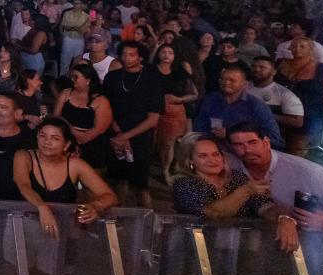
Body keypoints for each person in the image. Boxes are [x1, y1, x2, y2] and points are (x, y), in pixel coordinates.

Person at [171, 133, 298, 252]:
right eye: (203, 156)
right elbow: (213, 213)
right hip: (197, 249)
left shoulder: (237, 178)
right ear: (190, 160)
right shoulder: (183, 184)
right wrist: (246, 191)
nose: (212, 160)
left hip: (241, 250)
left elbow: (265, 206)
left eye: (216, 154)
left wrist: (283, 219)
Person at [13, 117, 118, 239]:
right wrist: (42, 207)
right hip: (21, 226)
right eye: (42, 136)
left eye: (55, 138)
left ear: (66, 144)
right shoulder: (23, 156)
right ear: (37, 137)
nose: (47, 142)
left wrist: (96, 206)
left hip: (61, 230)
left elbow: (110, 196)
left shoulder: (75, 164)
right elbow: (23, 185)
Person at [228, 122, 323, 231]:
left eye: (253, 142)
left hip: (313, 237)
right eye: (238, 145)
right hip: (258, 235)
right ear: (232, 147)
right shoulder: (230, 167)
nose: (247, 150)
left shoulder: (310, 172)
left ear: (266, 142)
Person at [103, 41, 164, 209]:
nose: (127, 58)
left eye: (131, 55)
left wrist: (126, 136)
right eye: (124, 54)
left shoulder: (151, 80)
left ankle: (148, 220)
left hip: (140, 137)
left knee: (140, 185)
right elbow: (105, 108)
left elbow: (153, 118)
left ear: (141, 57)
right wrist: (118, 133)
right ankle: (117, 218)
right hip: (115, 134)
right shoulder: (112, 78)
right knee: (118, 180)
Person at [196, 66, 283, 149]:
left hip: (245, 152)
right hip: (212, 148)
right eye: (223, 79)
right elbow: (200, 127)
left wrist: (233, 133)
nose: (226, 83)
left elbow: (275, 139)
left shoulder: (255, 105)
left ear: (244, 84)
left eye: (232, 80)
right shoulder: (211, 99)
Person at [276, 37, 323, 151]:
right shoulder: (281, 63)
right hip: (281, 114)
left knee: (298, 151)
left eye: (302, 46)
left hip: (310, 116)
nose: (297, 49)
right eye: (294, 46)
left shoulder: (322, 69)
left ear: (311, 49)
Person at [151, 43, 198, 181]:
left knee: (168, 144)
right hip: (152, 110)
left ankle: (165, 171)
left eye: (170, 52)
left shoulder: (180, 71)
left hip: (173, 112)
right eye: (163, 52)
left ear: (175, 56)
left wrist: (179, 99)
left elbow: (194, 94)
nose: (166, 55)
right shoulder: (150, 70)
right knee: (153, 142)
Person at [246, 55, 306, 150]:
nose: (256, 69)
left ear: (274, 72)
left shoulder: (284, 93)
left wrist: (267, 115)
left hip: (270, 143)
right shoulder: (241, 87)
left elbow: (298, 122)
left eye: (262, 67)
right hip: (241, 138)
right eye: (254, 66)